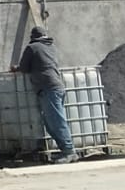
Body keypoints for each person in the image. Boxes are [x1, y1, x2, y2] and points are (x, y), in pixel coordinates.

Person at [13, 25, 77, 163]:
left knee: (56, 121)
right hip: (56, 86)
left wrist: (15, 69)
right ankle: (65, 150)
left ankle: (69, 151)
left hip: (48, 88)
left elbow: (24, 68)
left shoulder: (32, 47)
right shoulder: (51, 47)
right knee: (50, 122)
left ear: (32, 37)